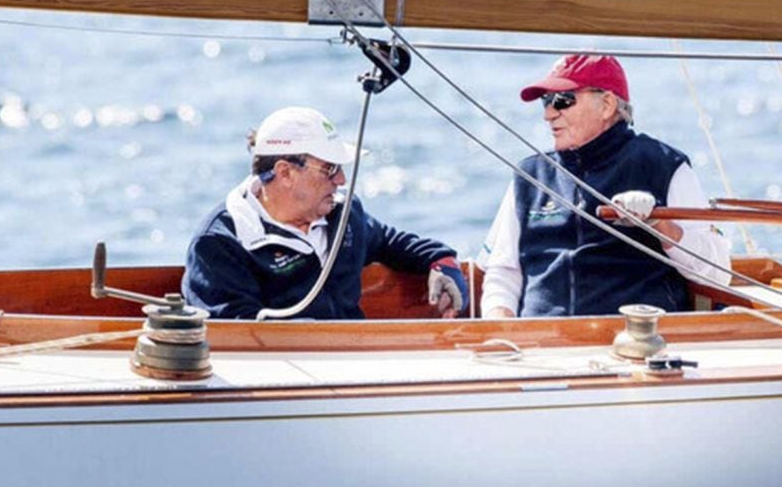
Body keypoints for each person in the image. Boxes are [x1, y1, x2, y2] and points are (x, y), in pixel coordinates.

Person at [480, 54, 730, 318]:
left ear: (607, 104)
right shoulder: (529, 175)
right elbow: (502, 271)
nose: (548, 114)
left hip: (638, 342)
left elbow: (718, 272)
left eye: (562, 100)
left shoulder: (664, 165)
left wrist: (660, 225)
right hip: (539, 344)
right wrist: (501, 328)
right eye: (546, 102)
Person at [182, 106, 468, 320]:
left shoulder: (344, 214)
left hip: (355, 372)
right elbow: (239, 335)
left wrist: (441, 261)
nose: (341, 180)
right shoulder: (219, 244)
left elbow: (391, 242)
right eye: (330, 169)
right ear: (285, 172)